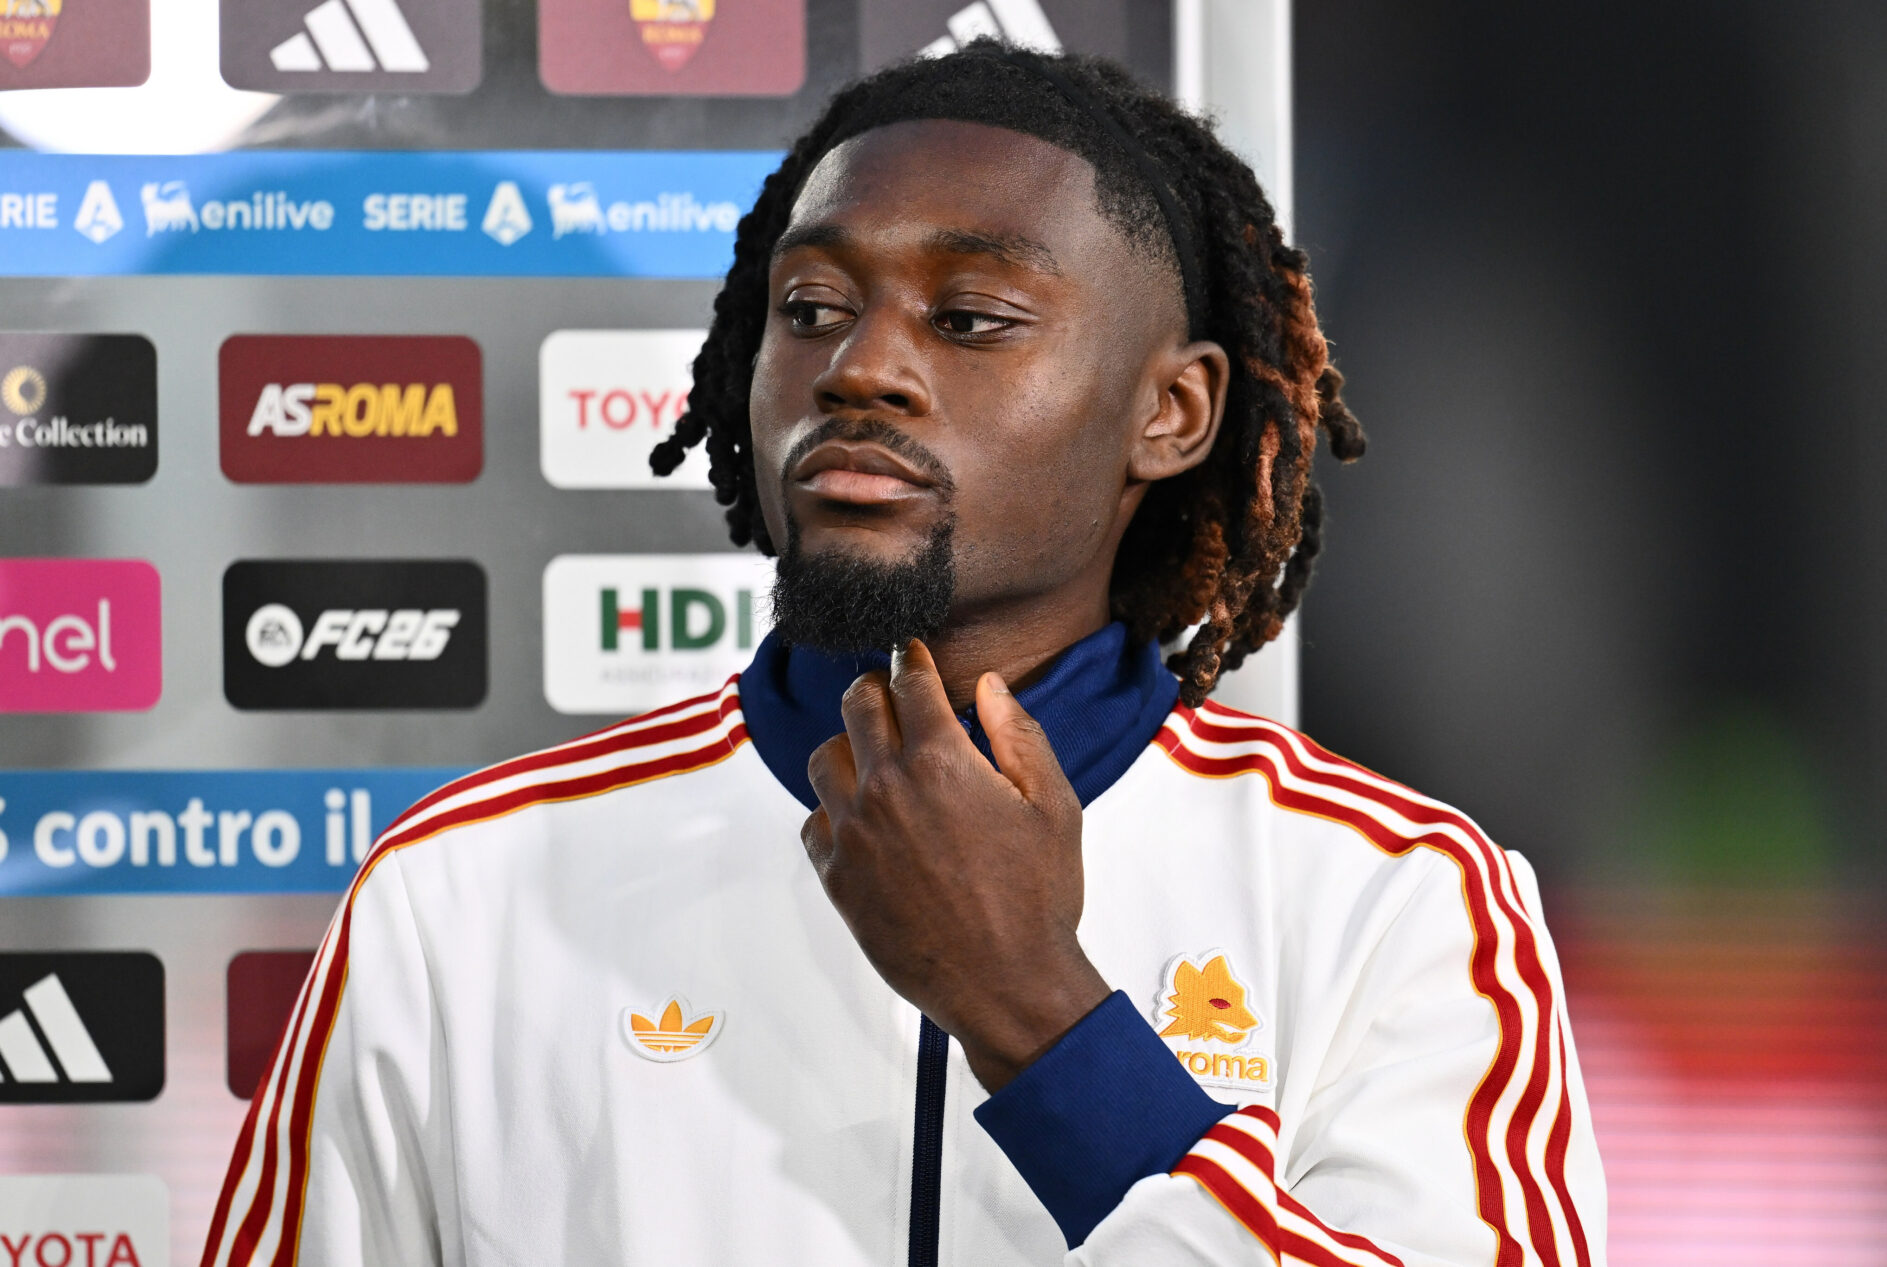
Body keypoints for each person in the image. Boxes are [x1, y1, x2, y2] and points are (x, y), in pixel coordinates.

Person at [202, 43, 1605, 1267]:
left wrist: (1040, 1015)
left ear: (1171, 413)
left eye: (970, 318)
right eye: (811, 309)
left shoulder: (1401, 902)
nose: (859, 367)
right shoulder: (464, 888)